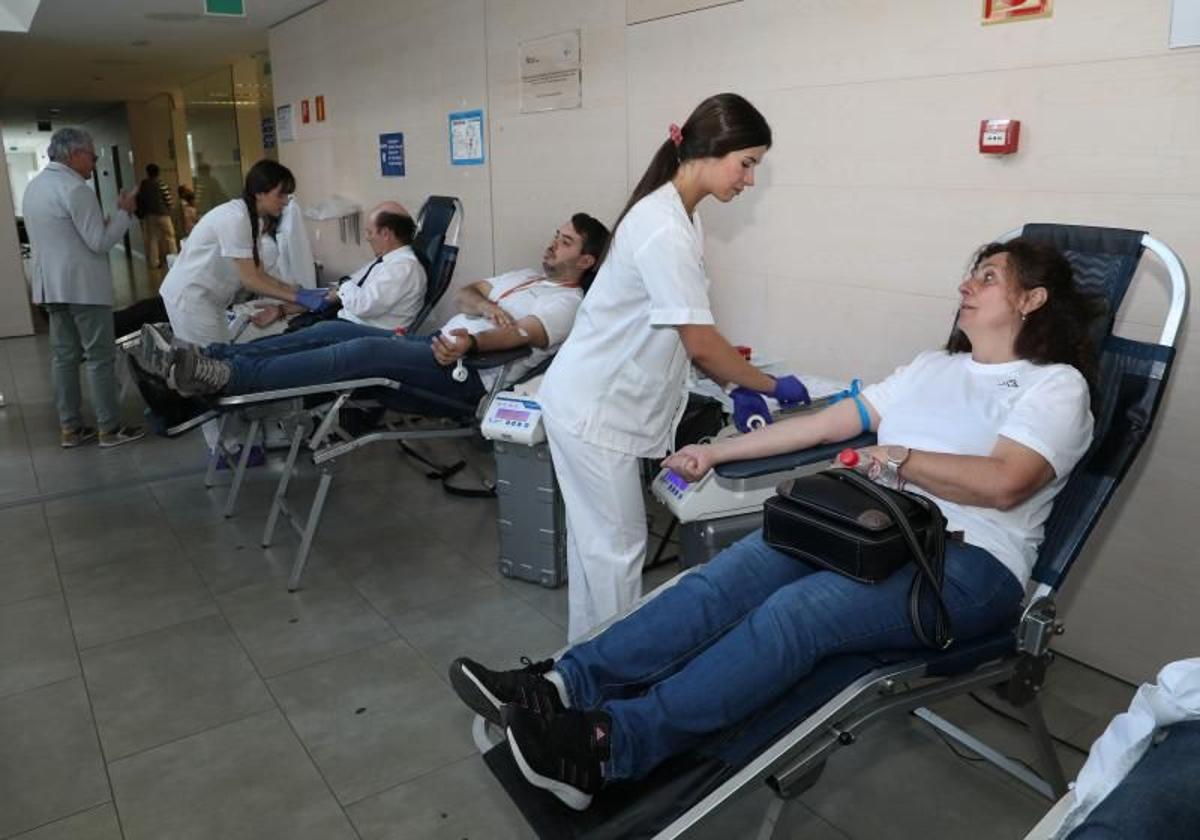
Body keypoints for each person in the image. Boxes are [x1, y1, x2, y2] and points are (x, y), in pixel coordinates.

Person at [448, 237, 1104, 811]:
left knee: (796, 615)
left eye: (988, 276)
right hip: (871, 528)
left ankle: (607, 749)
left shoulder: (1056, 388)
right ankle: (561, 685)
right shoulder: (935, 367)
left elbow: (1006, 481)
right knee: (720, 580)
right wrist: (716, 450)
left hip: (968, 563)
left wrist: (900, 458)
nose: (966, 284)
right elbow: (829, 423)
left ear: (1033, 300)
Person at [535, 93, 808, 642]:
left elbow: (682, 330)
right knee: (615, 554)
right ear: (711, 151)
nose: (749, 179)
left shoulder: (680, 216)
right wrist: (772, 385)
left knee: (600, 553)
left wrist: (735, 382)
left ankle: (579, 670)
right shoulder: (663, 226)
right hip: (595, 411)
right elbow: (701, 342)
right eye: (747, 163)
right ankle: (608, 684)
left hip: (591, 402)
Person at [137, 214, 610, 419]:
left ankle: (224, 374)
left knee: (361, 349)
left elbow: (520, 338)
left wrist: (472, 342)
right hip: (434, 349)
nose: (553, 244)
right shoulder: (525, 275)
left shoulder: (568, 305)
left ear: (586, 262)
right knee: (330, 327)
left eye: (566, 242)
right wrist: (487, 307)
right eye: (556, 235)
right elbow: (467, 294)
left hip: (468, 377)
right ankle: (207, 357)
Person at [22, 127, 145, 448]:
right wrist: (124, 213)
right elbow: (99, 242)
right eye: (92, 155)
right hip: (83, 288)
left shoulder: (35, 187)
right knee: (99, 357)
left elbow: (65, 236)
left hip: (51, 286)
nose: (94, 162)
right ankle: (109, 427)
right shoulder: (75, 189)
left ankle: (71, 428)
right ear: (75, 154)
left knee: (63, 357)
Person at [252, 202, 425, 333]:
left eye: (370, 232)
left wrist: (344, 285)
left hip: (358, 335)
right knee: (285, 337)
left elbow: (359, 303)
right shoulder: (385, 262)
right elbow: (338, 293)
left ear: (386, 234)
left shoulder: (403, 268)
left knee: (276, 351)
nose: (367, 238)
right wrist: (283, 309)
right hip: (342, 322)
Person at [136, 162, 177, 275]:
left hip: (150, 215)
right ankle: (174, 259)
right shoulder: (161, 183)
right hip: (163, 214)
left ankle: (154, 262)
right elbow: (168, 198)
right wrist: (170, 208)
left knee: (153, 239)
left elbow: (140, 199)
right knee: (170, 236)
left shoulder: (144, 185)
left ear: (147, 173)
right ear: (158, 172)